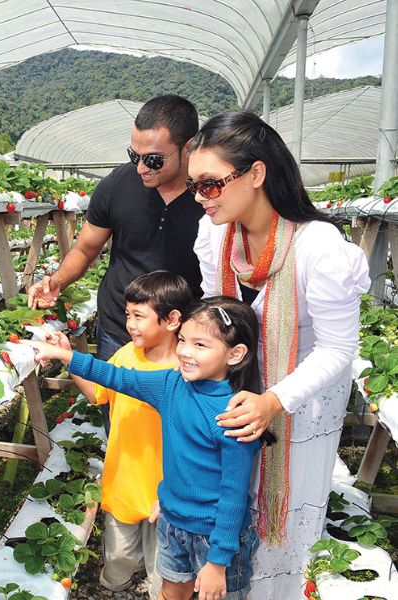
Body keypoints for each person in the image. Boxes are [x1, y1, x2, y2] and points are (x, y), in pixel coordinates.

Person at [188, 110, 370, 598]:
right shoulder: (216, 235)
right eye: (194, 187)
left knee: (282, 523)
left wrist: (273, 400)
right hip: (239, 395)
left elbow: (338, 350)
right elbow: (216, 315)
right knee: (229, 502)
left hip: (301, 407)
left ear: (256, 173)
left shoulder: (319, 248)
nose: (201, 198)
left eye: (210, 184)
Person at [27, 297, 266, 600]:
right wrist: (65, 354)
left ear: (236, 354)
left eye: (200, 345)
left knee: (218, 595)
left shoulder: (234, 415)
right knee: (170, 592)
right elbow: (118, 376)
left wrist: (218, 562)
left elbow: (233, 497)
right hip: (172, 522)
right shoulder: (171, 384)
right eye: (182, 340)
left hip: (215, 536)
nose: (185, 352)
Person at [28, 94, 204, 366]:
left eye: (154, 160)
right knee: (114, 405)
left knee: (172, 409)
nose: (142, 167)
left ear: (188, 147)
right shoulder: (117, 185)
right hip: (120, 327)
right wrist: (58, 282)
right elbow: (86, 248)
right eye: (135, 156)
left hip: (182, 336)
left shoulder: (210, 195)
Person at [62, 270, 192, 598]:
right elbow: (97, 395)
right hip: (124, 478)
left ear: (172, 319)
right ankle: (113, 585)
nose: (130, 324)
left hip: (166, 489)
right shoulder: (125, 355)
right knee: (119, 554)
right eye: (127, 315)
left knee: (163, 563)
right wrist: (69, 359)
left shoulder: (188, 369)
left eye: (139, 315)